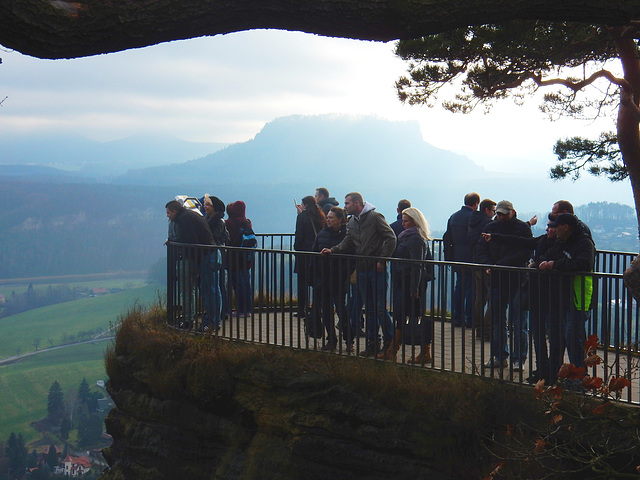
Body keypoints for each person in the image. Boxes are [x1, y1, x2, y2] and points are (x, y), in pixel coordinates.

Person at [481, 214, 559, 382]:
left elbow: (523, 247)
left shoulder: (550, 242)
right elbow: (517, 241)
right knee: (505, 323)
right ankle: (540, 369)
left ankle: (528, 362)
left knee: (521, 324)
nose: (546, 229)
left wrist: (499, 264)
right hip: (508, 282)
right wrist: (494, 238)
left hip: (522, 283)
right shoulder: (542, 239)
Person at [321, 192, 397, 357]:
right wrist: (333, 250)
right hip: (362, 268)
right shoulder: (352, 222)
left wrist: (382, 259)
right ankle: (373, 343)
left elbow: (391, 238)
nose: (345, 206)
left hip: (376, 269)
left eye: (347, 203)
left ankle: (390, 342)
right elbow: (348, 241)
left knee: (379, 308)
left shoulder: (375, 217)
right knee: (369, 308)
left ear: (357, 203)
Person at [475, 200, 532, 370]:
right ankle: (499, 356)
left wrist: (498, 264)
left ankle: (518, 358)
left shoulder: (522, 229)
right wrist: (488, 264)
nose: (499, 217)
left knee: (519, 323)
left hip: (517, 280)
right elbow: (480, 249)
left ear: (512, 212)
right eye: (498, 213)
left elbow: (526, 252)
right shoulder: (491, 227)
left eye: (503, 214)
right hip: (497, 280)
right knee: (497, 322)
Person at [539, 213, 595, 384]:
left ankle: (579, 379)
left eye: (556, 226)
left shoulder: (584, 243)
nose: (553, 229)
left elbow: (583, 264)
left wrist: (555, 265)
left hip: (577, 297)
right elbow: (544, 256)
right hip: (562, 298)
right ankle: (562, 377)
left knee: (574, 339)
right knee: (560, 338)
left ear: (565, 227)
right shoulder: (561, 243)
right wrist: (544, 263)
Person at [378, 207, 433, 363]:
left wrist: (414, 288)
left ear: (414, 221)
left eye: (406, 221)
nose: (403, 224)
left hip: (411, 282)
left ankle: (412, 351)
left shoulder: (415, 238)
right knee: (404, 315)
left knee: (410, 316)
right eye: (402, 220)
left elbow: (417, 264)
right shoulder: (408, 236)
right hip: (406, 281)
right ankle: (395, 350)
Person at [165, 199, 214, 329]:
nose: (167, 216)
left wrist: (172, 241)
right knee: (201, 290)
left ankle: (189, 320)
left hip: (193, 257)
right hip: (203, 255)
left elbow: (189, 239)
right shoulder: (191, 215)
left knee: (188, 290)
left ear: (175, 211)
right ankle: (209, 319)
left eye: (168, 213)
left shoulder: (183, 219)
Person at [311, 207, 351, 351]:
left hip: (339, 278)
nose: (328, 220)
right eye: (327, 217)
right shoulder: (322, 234)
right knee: (326, 310)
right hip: (323, 278)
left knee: (341, 310)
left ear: (340, 220)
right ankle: (331, 340)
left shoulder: (347, 236)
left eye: (331, 218)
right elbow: (314, 254)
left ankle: (348, 340)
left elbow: (350, 257)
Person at [443, 192, 479, 327]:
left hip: (456, 257)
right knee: (471, 289)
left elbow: (447, 238)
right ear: (476, 203)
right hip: (471, 258)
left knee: (459, 288)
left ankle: (456, 318)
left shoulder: (454, 217)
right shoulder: (474, 217)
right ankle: (470, 319)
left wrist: (449, 257)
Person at [200, 194, 229, 332]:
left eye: (208, 205)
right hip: (211, 255)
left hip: (212, 256)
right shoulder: (209, 219)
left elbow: (216, 238)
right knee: (211, 288)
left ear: (215, 207)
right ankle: (212, 318)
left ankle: (214, 320)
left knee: (213, 289)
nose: (205, 207)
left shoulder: (218, 222)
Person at [469, 198, 496, 340]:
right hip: (486, 264)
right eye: (493, 211)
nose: (494, 214)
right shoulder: (488, 224)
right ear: (487, 210)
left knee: (480, 297)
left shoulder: (473, 221)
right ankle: (486, 330)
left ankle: (479, 329)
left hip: (476, 262)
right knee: (492, 297)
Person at [294, 196, 326, 317]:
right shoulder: (320, 215)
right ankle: (317, 308)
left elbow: (299, 235)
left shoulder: (302, 217)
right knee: (316, 282)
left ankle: (302, 309)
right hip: (317, 253)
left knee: (302, 282)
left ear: (305, 205)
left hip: (304, 253)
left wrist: (297, 248)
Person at [225, 200, 256, 317]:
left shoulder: (229, 223)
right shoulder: (247, 222)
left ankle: (240, 309)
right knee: (246, 284)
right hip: (247, 258)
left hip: (234, 259)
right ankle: (248, 309)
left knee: (237, 285)